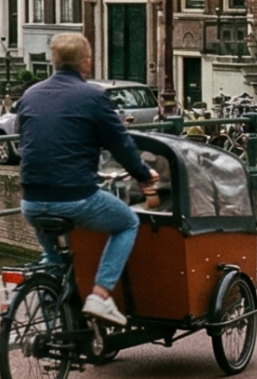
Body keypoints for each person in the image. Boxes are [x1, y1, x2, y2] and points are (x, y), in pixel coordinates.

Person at [13, 31, 157, 328]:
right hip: (75, 197)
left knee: (52, 257)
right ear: (87, 62)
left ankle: (54, 325)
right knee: (127, 222)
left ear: (53, 60)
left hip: (32, 201)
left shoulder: (30, 95)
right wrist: (144, 176)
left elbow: (24, 138)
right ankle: (101, 295)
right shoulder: (93, 96)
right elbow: (121, 144)